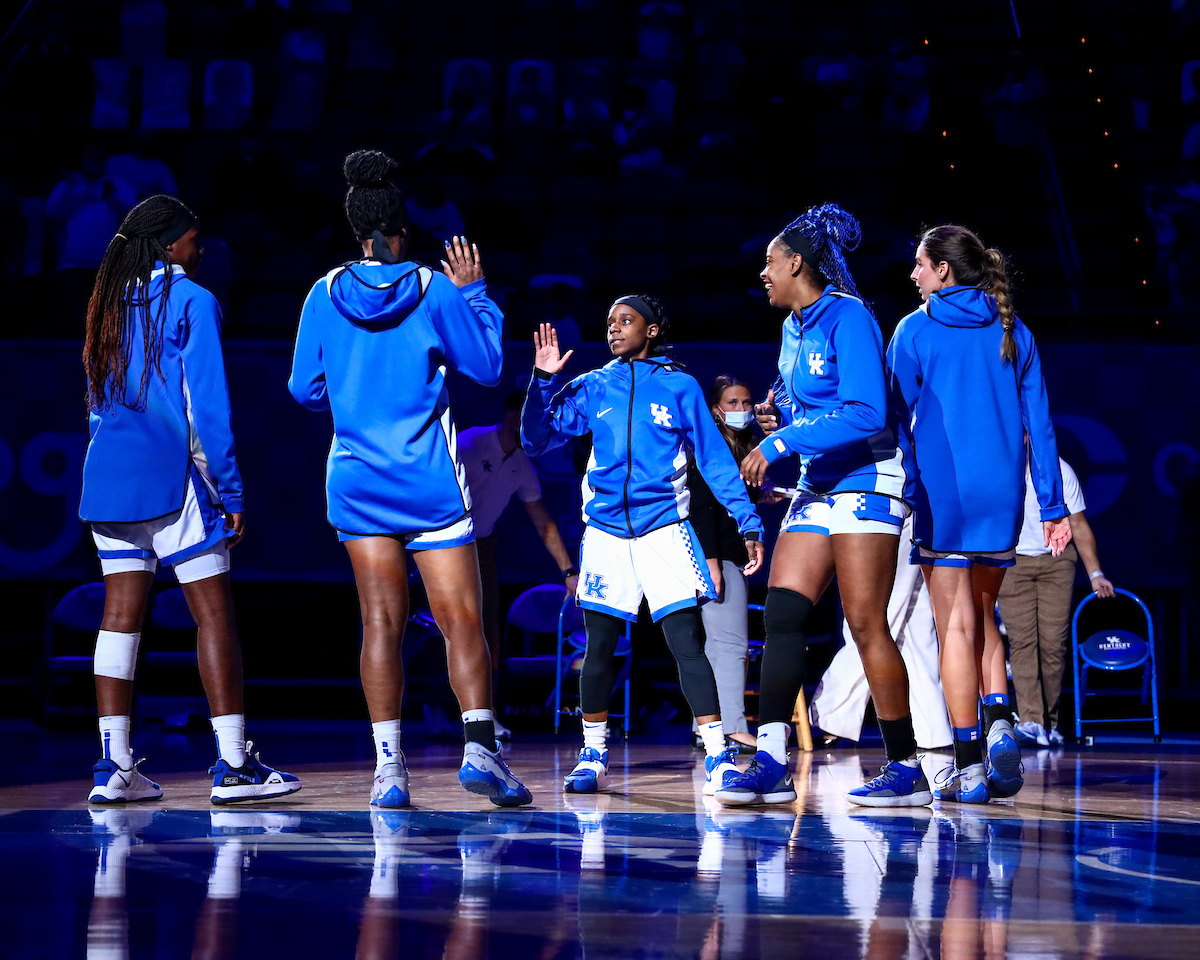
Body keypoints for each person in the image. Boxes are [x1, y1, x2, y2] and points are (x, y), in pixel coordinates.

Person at [288, 149, 530, 809]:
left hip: (358, 481)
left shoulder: (321, 292)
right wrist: (476, 293)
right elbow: (485, 367)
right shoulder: (434, 288)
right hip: (426, 482)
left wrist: (352, 385)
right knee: (461, 619)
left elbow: (303, 387)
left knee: (380, 621)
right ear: (398, 231)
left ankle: (388, 772)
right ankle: (480, 752)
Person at [80, 194, 300, 805]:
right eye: (194, 241)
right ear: (170, 244)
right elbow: (208, 407)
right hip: (176, 482)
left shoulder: (106, 303)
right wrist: (228, 487)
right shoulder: (195, 300)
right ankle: (235, 765)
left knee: (118, 619)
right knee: (213, 615)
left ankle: (114, 765)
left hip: (108, 480)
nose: (200, 251)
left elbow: (95, 404)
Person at [717, 204, 928, 809]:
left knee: (864, 623)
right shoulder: (791, 328)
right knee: (781, 615)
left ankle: (905, 766)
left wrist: (779, 441)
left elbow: (867, 412)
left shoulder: (851, 317)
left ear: (796, 265)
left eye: (769, 264)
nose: (762, 273)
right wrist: (778, 417)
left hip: (868, 478)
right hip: (817, 484)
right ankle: (771, 761)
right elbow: (812, 407)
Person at [521, 297, 765, 797]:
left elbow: (716, 462)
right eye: (608, 322)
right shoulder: (593, 385)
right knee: (600, 650)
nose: (613, 329)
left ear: (651, 330)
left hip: (664, 532)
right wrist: (542, 380)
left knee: (686, 645)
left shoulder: (680, 386)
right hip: (606, 536)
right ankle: (593, 754)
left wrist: (747, 520)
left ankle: (718, 755)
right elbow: (536, 439)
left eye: (625, 321)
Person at [888, 224, 1072, 804]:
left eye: (919, 264)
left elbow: (895, 420)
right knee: (985, 616)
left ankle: (968, 764)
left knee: (955, 627)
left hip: (945, 496)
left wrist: (912, 485)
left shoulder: (914, 330)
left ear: (943, 269)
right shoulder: (1013, 327)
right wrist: (1053, 505)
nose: (913, 274)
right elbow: (1040, 427)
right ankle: (998, 721)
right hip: (1001, 495)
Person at [459, 391, 580, 724]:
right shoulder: (470, 444)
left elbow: (542, 520)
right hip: (447, 546)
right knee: (455, 626)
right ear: (515, 417)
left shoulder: (521, 465)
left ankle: (487, 713)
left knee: (489, 628)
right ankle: (441, 708)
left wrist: (569, 571)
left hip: (481, 546)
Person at [809, 513, 953, 751]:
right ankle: (931, 729)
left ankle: (831, 715)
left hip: (892, 502)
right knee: (913, 619)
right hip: (923, 503)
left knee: (875, 617)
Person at [999, 457, 1113, 747]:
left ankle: (1048, 723)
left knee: (1052, 645)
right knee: (1023, 643)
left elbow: (1078, 523)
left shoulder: (1060, 469)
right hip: (1013, 562)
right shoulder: (997, 462)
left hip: (1056, 562)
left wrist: (1095, 573)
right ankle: (1031, 720)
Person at [687, 375, 771, 754]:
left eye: (746, 402)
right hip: (716, 554)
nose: (741, 410)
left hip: (726, 552)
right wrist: (712, 562)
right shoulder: (712, 446)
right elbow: (703, 507)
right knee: (731, 644)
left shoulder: (743, 445)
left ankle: (706, 727)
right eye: (732, 402)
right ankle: (733, 727)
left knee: (718, 646)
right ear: (715, 408)